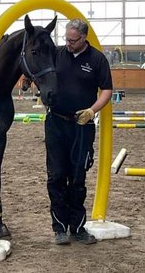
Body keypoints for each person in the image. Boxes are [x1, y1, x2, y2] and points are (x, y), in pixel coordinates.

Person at [45, 18, 113, 245]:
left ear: (84, 38)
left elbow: (106, 90)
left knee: (78, 176)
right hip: (55, 123)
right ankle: (59, 228)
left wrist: (92, 111)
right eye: (66, 39)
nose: (68, 44)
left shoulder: (97, 59)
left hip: (82, 126)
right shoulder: (57, 54)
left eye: (73, 40)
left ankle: (77, 227)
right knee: (56, 175)